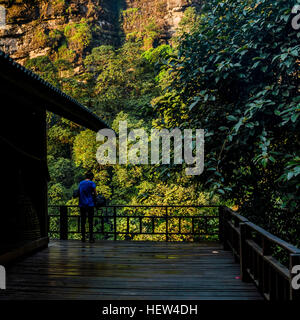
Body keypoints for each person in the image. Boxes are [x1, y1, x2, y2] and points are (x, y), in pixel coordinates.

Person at [79, 172, 97, 243]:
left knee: (83, 222)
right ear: (91, 177)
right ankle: (91, 238)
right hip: (90, 204)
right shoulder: (92, 183)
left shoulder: (81, 183)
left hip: (82, 204)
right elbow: (95, 194)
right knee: (90, 222)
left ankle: (83, 238)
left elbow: (79, 192)